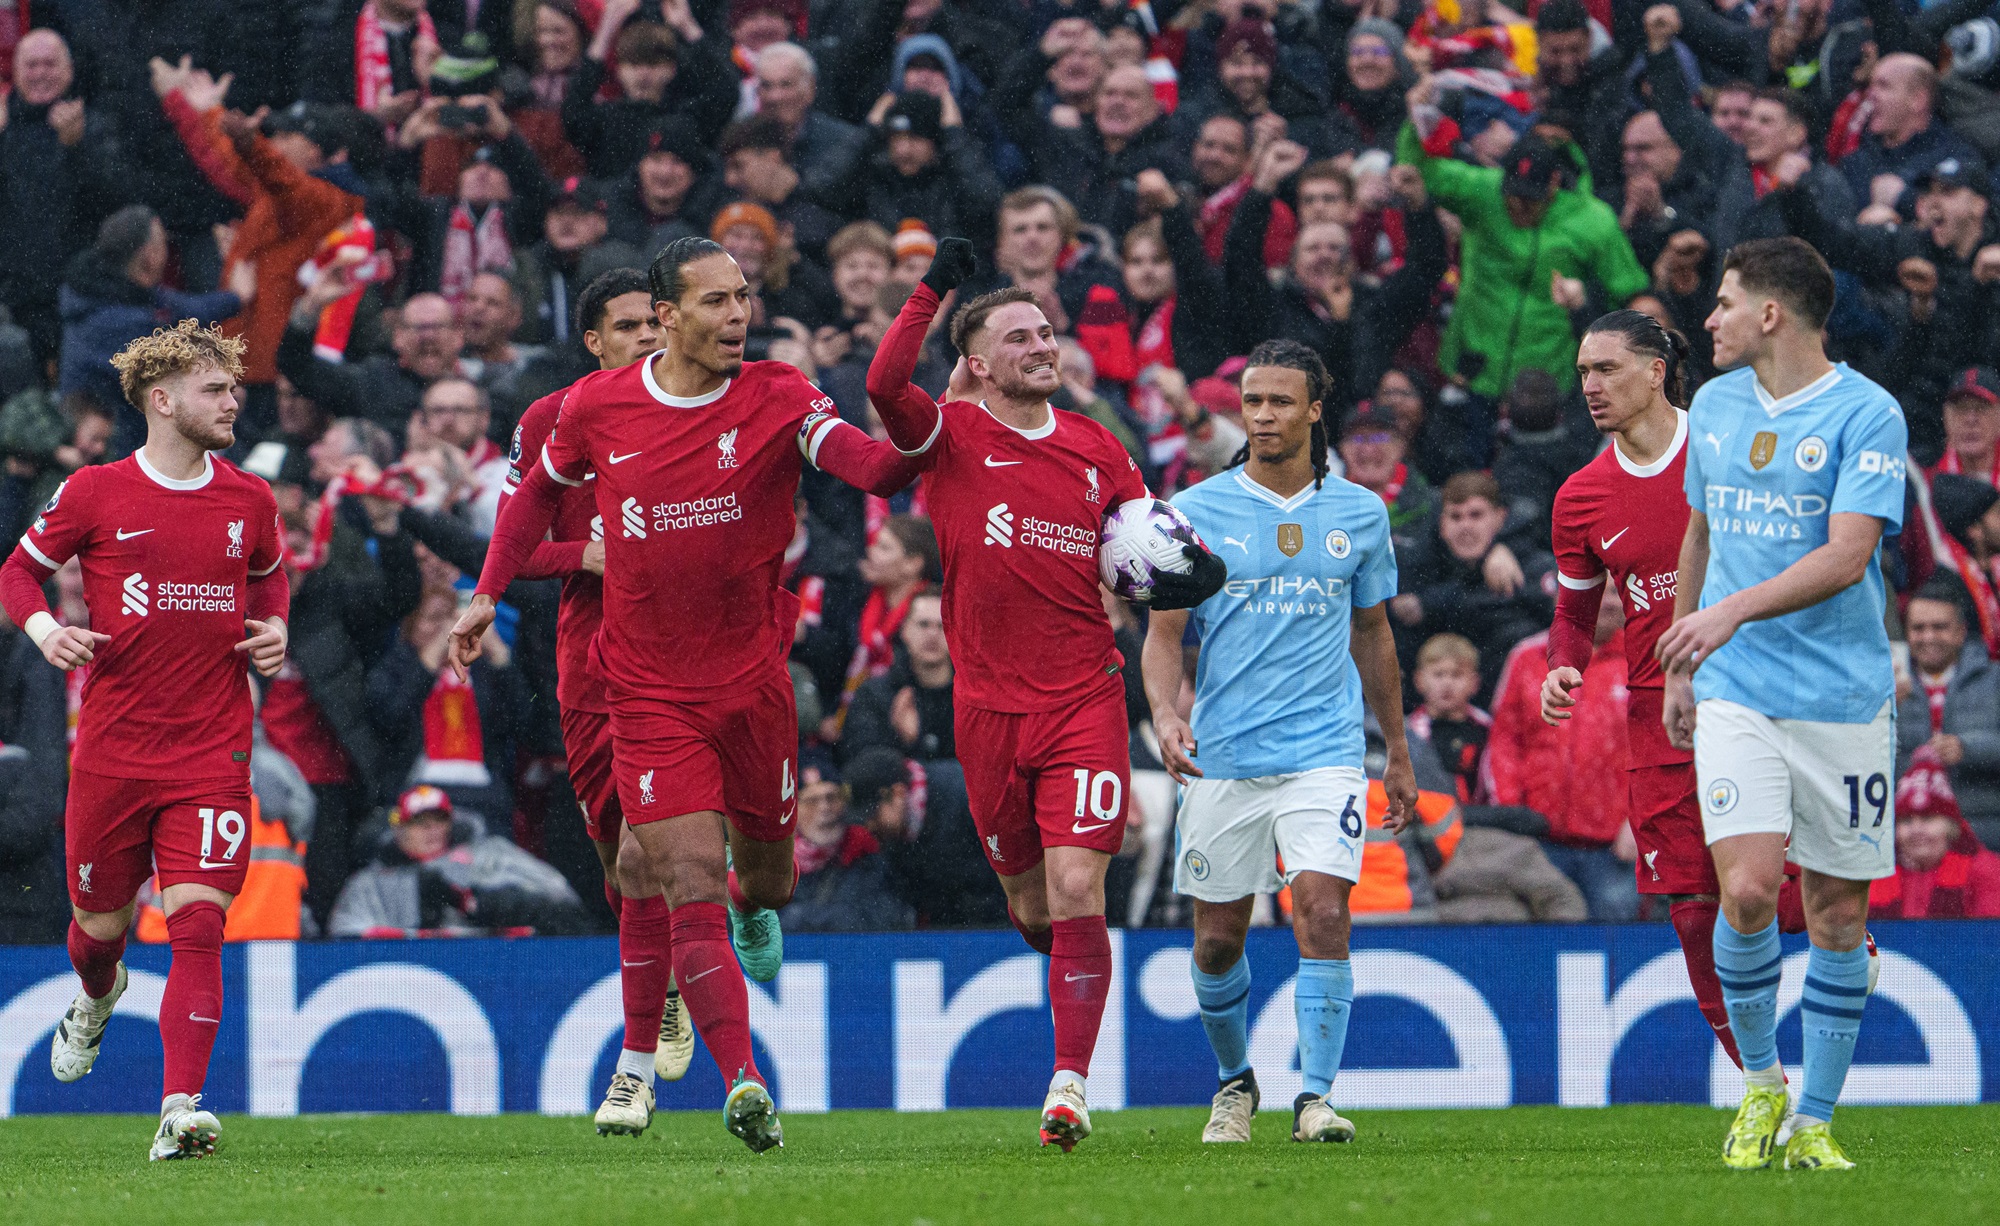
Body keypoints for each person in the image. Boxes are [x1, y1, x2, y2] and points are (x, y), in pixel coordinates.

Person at [453, 236, 921, 1153]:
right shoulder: (586, 407)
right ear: (665, 318)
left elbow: (872, 470)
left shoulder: (780, 393)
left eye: (743, 297)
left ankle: (735, 927)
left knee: (764, 880)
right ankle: (737, 1078)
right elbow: (529, 501)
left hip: (752, 688)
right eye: (716, 301)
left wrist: (923, 430)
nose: (737, 315)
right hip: (639, 687)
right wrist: (485, 594)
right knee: (660, 871)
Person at [866, 238, 1224, 1150]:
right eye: (1019, 337)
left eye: (1046, 332)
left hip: (1083, 701)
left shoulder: (1101, 449)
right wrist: (935, 289)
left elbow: (1140, 566)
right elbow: (881, 382)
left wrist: (1174, 588)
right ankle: (1073, 972)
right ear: (978, 363)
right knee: (1033, 906)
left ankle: (1068, 1084)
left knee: (1076, 889)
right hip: (986, 712)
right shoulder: (949, 434)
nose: (1042, 345)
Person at [0, 320, 288, 1160]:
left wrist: (271, 633)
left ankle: (179, 1109)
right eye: (216, 389)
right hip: (115, 752)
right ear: (162, 401)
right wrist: (48, 629)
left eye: (234, 388)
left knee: (199, 922)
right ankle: (96, 996)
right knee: (98, 930)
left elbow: (270, 582)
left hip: (212, 748)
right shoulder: (94, 491)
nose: (234, 401)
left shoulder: (250, 499)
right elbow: (16, 570)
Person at [1657, 237, 1908, 1172]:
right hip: (1737, 690)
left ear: (1771, 314)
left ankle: (1816, 1119)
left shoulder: (1866, 414)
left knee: (1839, 915)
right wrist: (1685, 655)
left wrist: (1726, 610)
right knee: (1752, 889)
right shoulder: (1715, 405)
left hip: (1841, 699)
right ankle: (1762, 1085)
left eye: (1723, 303)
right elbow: (1701, 529)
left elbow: (1848, 556)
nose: (1708, 319)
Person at [1142, 338, 1415, 1146]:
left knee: (1322, 911)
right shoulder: (1193, 511)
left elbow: (1375, 636)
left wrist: (1395, 750)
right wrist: (1164, 711)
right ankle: (1235, 1085)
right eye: (1251, 402)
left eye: (1279, 402)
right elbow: (1163, 636)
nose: (1262, 416)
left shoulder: (1361, 513)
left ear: (1314, 408)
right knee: (1218, 941)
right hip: (1222, 755)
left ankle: (1316, 1099)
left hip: (1324, 755)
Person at [498, 267, 695, 1135]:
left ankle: (640, 1051)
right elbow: (509, 545)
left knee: (661, 854)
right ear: (593, 342)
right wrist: (582, 555)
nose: (648, 341)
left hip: (691, 649)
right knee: (621, 858)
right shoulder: (552, 420)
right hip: (592, 656)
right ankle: (672, 981)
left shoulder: (706, 404)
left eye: (655, 324)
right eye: (627, 329)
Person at [1542, 309, 1752, 1034]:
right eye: (1582, 374)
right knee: (1690, 907)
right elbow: (1573, 615)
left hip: (1754, 691)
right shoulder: (1580, 497)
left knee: (1776, 901)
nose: (1590, 387)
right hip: (1657, 711)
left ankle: (1849, 942)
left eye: (1606, 369)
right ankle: (1765, 1085)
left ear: (1656, 370)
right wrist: (1561, 668)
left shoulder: (1727, 445)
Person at [327, 784, 588, 936]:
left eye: (439, 821)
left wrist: (479, 903)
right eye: (420, 823)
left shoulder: (488, 855)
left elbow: (557, 893)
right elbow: (343, 932)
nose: (432, 831)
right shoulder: (372, 881)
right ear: (400, 829)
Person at [1896, 583, 2000, 848]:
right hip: (1907, 835)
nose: (1928, 636)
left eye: (1939, 627)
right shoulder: (1888, 686)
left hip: (1984, 828)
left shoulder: (1994, 679)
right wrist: (1882, 709)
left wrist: (1967, 749)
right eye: (1918, 628)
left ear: (1961, 632)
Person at [1869, 753, 2000, 918]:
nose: (1916, 829)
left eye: (1927, 818)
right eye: (1906, 820)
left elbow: (1991, 938)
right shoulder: (1873, 873)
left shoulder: (1985, 869)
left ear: (1951, 826)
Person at [1409, 634, 1489, 804]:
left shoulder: (1488, 729)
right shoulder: (1409, 732)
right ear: (1419, 680)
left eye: (1456, 675)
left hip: (1478, 815)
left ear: (1474, 683)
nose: (1447, 683)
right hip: (1429, 813)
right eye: (1438, 675)